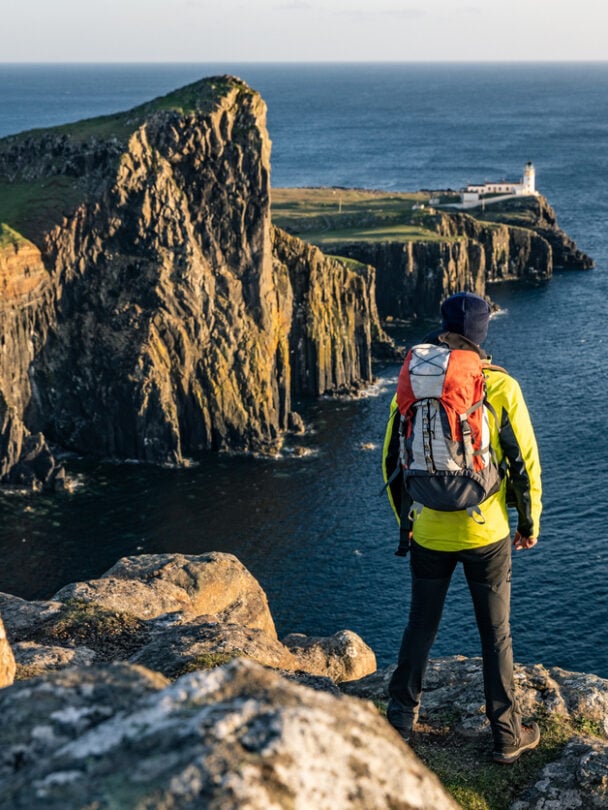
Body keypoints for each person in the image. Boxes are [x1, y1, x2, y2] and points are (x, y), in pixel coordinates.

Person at [382, 291, 542, 765]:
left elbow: (392, 461)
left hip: (428, 530)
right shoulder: (499, 386)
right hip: (485, 533)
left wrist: (406, 525)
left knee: (420, 626)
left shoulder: (414, 381)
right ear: (481, 334)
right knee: (496, 635)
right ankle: (507, 735)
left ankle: (398, 721)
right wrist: (528, 522)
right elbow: (524, 464)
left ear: (443, 326)